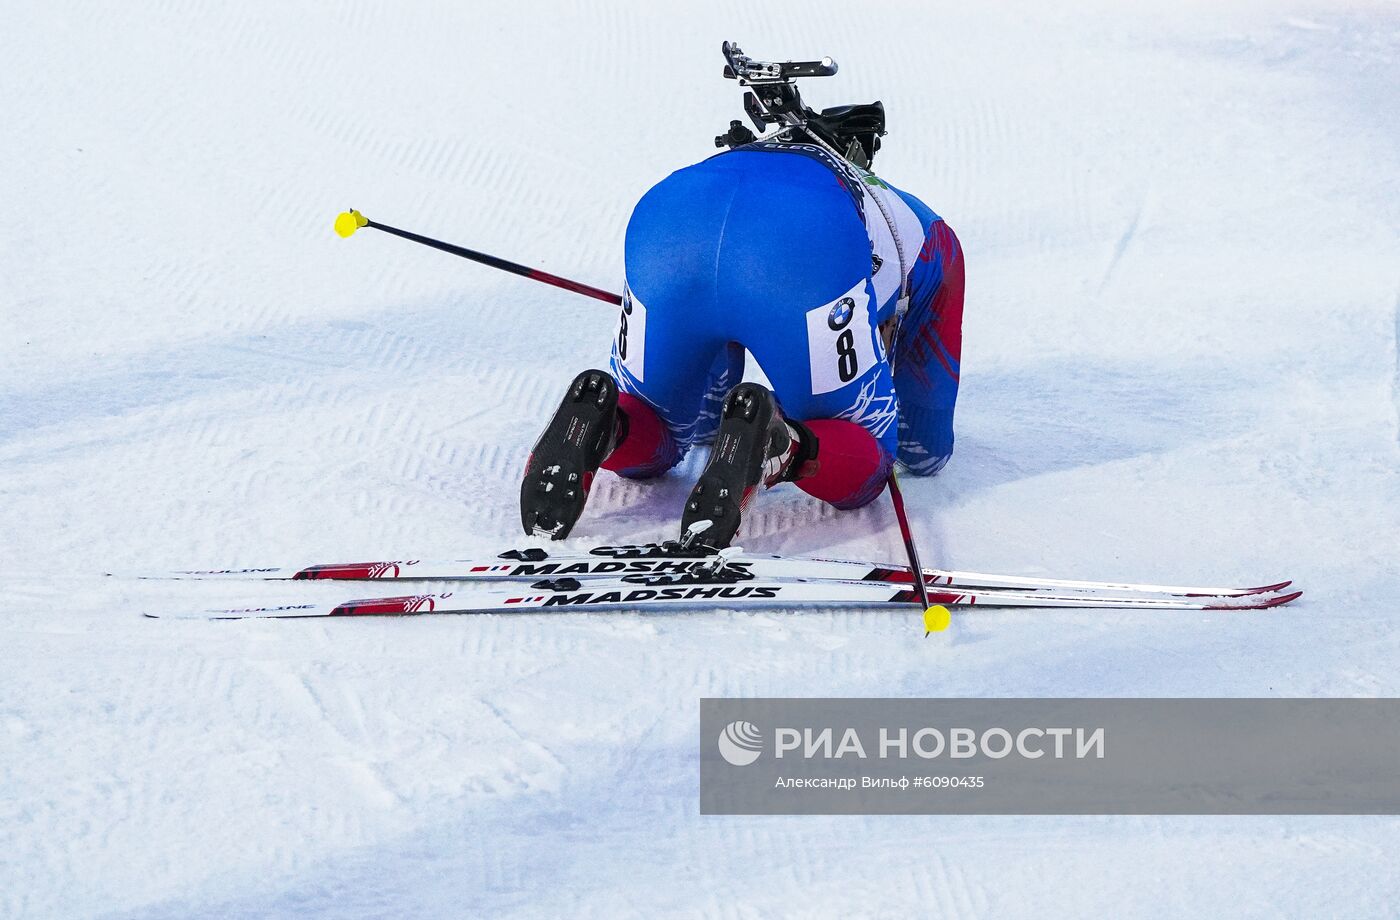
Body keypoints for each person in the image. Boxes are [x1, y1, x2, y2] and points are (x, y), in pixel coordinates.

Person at [520, 72, 964, 550]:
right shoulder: (923, 226)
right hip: (804, 245)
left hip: (671, 215)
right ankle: (784, 445)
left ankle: (607, 426)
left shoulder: (734, 160)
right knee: (869, 454)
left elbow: (712, 413)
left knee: (663, 424)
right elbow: (924, 442)